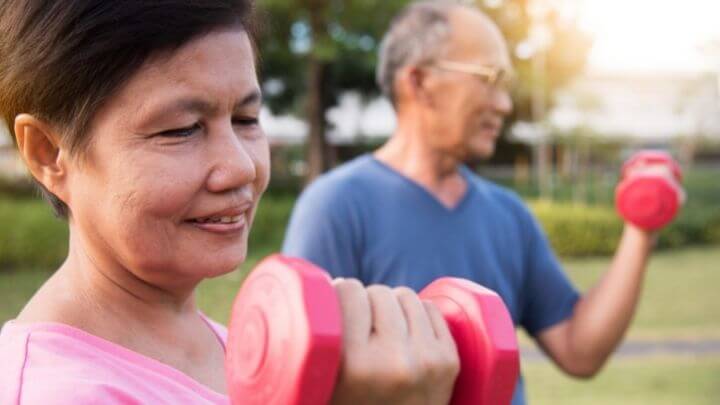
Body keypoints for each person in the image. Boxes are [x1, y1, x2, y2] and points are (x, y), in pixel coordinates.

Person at [0, 1, 460, 404]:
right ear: (48, 152)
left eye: (246, 119)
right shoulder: (54, 392)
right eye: (180, 129)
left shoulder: (230, 348)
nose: (241, 167)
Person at [283, 2, 669, 404]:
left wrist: (640, 231)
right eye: (490, 78)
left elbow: (579, 350)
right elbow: (307, 371)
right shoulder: (336, 205)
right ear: (419, 82)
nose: (503, 103)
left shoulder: (509, 214)